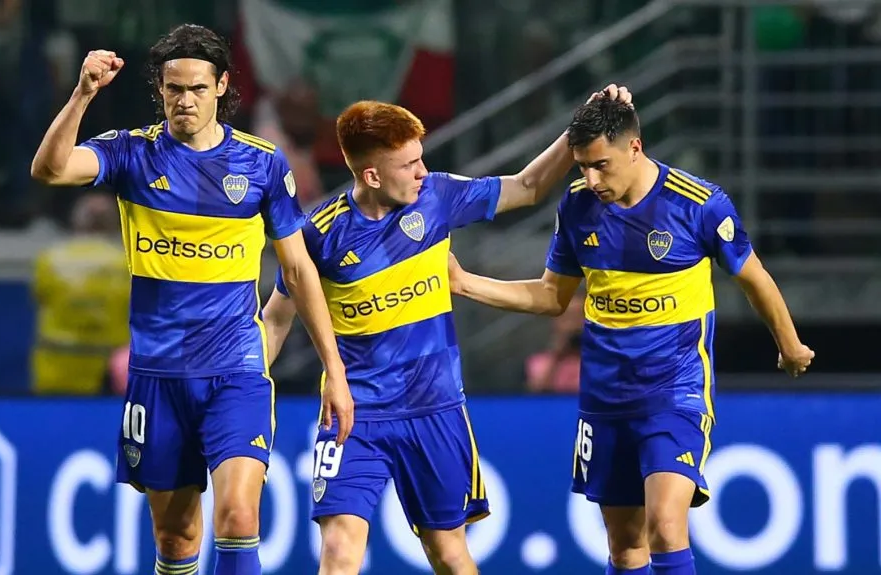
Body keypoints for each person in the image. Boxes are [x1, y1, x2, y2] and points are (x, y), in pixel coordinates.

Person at [260, 86, 634, 575]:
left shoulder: (437, 196)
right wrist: (244, 392)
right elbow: (275, 319)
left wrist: (578, 127)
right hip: (356, 413)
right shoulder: (319, 234)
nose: (421, 171)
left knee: (449, 553)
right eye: (408, 164)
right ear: (370, 175)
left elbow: (527, 187)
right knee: (338, 548)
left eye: (421, 159)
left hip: (435, 409)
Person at [29, 24, 353, 575]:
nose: (186, 100)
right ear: (159, 89)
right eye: (174, 89)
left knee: (236, 514)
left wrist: (335, 370)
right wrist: (83, 94)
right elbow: (50, 169)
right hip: (158, 375)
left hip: (236, 371)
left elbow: (298, 270)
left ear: (222, 86)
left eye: (198, 89)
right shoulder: (133, 154)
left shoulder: (261, 165)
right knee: (176, 537)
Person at [446, 96, 815, 575]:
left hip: (674, 391)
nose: (592, 180)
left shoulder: (697, 204)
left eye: (601, 165)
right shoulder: (577, 207)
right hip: (605, 396)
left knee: (665, 523)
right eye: (582, 167)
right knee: (625, 547)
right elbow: (550, 297)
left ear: (635, 147)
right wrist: (466, 283)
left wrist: (789, 345)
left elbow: (754, 277)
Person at [31, 192, 130, 395]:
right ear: (114, 221)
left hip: (57, 364)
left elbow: (40, 298)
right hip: (110, 368)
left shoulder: (49, 260)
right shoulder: (128, 262)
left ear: (76, 220)